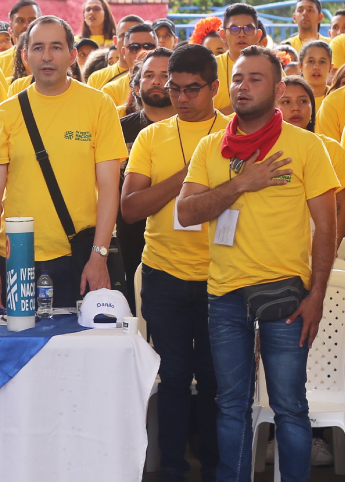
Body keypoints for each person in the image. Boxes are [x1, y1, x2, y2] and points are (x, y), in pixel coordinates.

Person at [177, 45, 337, 481]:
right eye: (237, 79)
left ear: (278, 87)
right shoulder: (213, 146)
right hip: (224, 295)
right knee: (230, 406)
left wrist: (317, 295)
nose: (242, 86)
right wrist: (242, 183)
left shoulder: (306, 146)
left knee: (290, 407)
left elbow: (327, 227)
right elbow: (186, 212)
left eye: (255, 79)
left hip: (285, 294)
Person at [120, 44, 227, 481]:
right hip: (164, 273)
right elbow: (129, 208)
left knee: (216, 379)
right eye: (174, 88)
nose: (182, 98)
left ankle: (217, 467)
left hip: (222, 276)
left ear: (215, 88)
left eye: (192, 89)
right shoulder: (151, 136)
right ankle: (171, 469)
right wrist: (185, 177)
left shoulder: (234, 133)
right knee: (174, 375)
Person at [0, 16, 128, 309]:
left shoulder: (99, 105)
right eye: (37, 48)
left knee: (77, 348)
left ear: (73, 55)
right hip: (16, 255)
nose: (46, 56)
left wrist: (98, 256)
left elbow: (110, 189)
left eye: (57, 47)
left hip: (78, 255)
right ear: (25, 56)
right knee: (17, 346)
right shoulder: (6, 113)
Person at [115, 48, 176, 309]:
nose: (157, 81)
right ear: (137, 86)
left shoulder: (197, 131)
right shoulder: (118, 130)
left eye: (165, 75)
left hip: (183, 247)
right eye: (149, 75)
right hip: (130, 242)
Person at [279, 75, 345, 252]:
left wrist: (327, 252)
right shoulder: (265, 151)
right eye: (286, 102)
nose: (295, 108)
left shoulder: (332, 149)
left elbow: (342, 208)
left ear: (312, 107)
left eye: (303, 101)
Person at [213, 3, 262, 115]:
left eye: (248, 29)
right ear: (223, 34)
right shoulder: (209, 68)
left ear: (258, 35)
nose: (241, 34)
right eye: (234, 29)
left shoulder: (270, 67)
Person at [102, 23, 158, 110]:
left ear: (157, 50)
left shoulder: (167, 85)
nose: (142, 51)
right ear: (124, 52)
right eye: (134, 47)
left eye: (148, 47)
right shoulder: (110, 90)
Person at [0, 0, 40, 82]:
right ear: (11, 26)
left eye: (32, 20)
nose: (26, 25)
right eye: (21, 21)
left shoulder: (52, 58)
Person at [298, 40, 332, 112]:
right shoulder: (290, 98)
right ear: (300, 66)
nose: (316, 67)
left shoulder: (338, 98)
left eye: (322, 62)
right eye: (311, 61)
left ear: (331, 67)